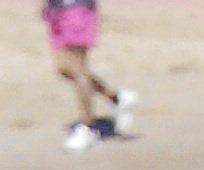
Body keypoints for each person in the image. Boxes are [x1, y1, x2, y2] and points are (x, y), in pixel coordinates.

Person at [43, 0, 136, 151]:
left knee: (78, 68)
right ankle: (117, 98)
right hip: (57, 11)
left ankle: (88, 128)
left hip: (76, 9)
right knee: (63, 68)